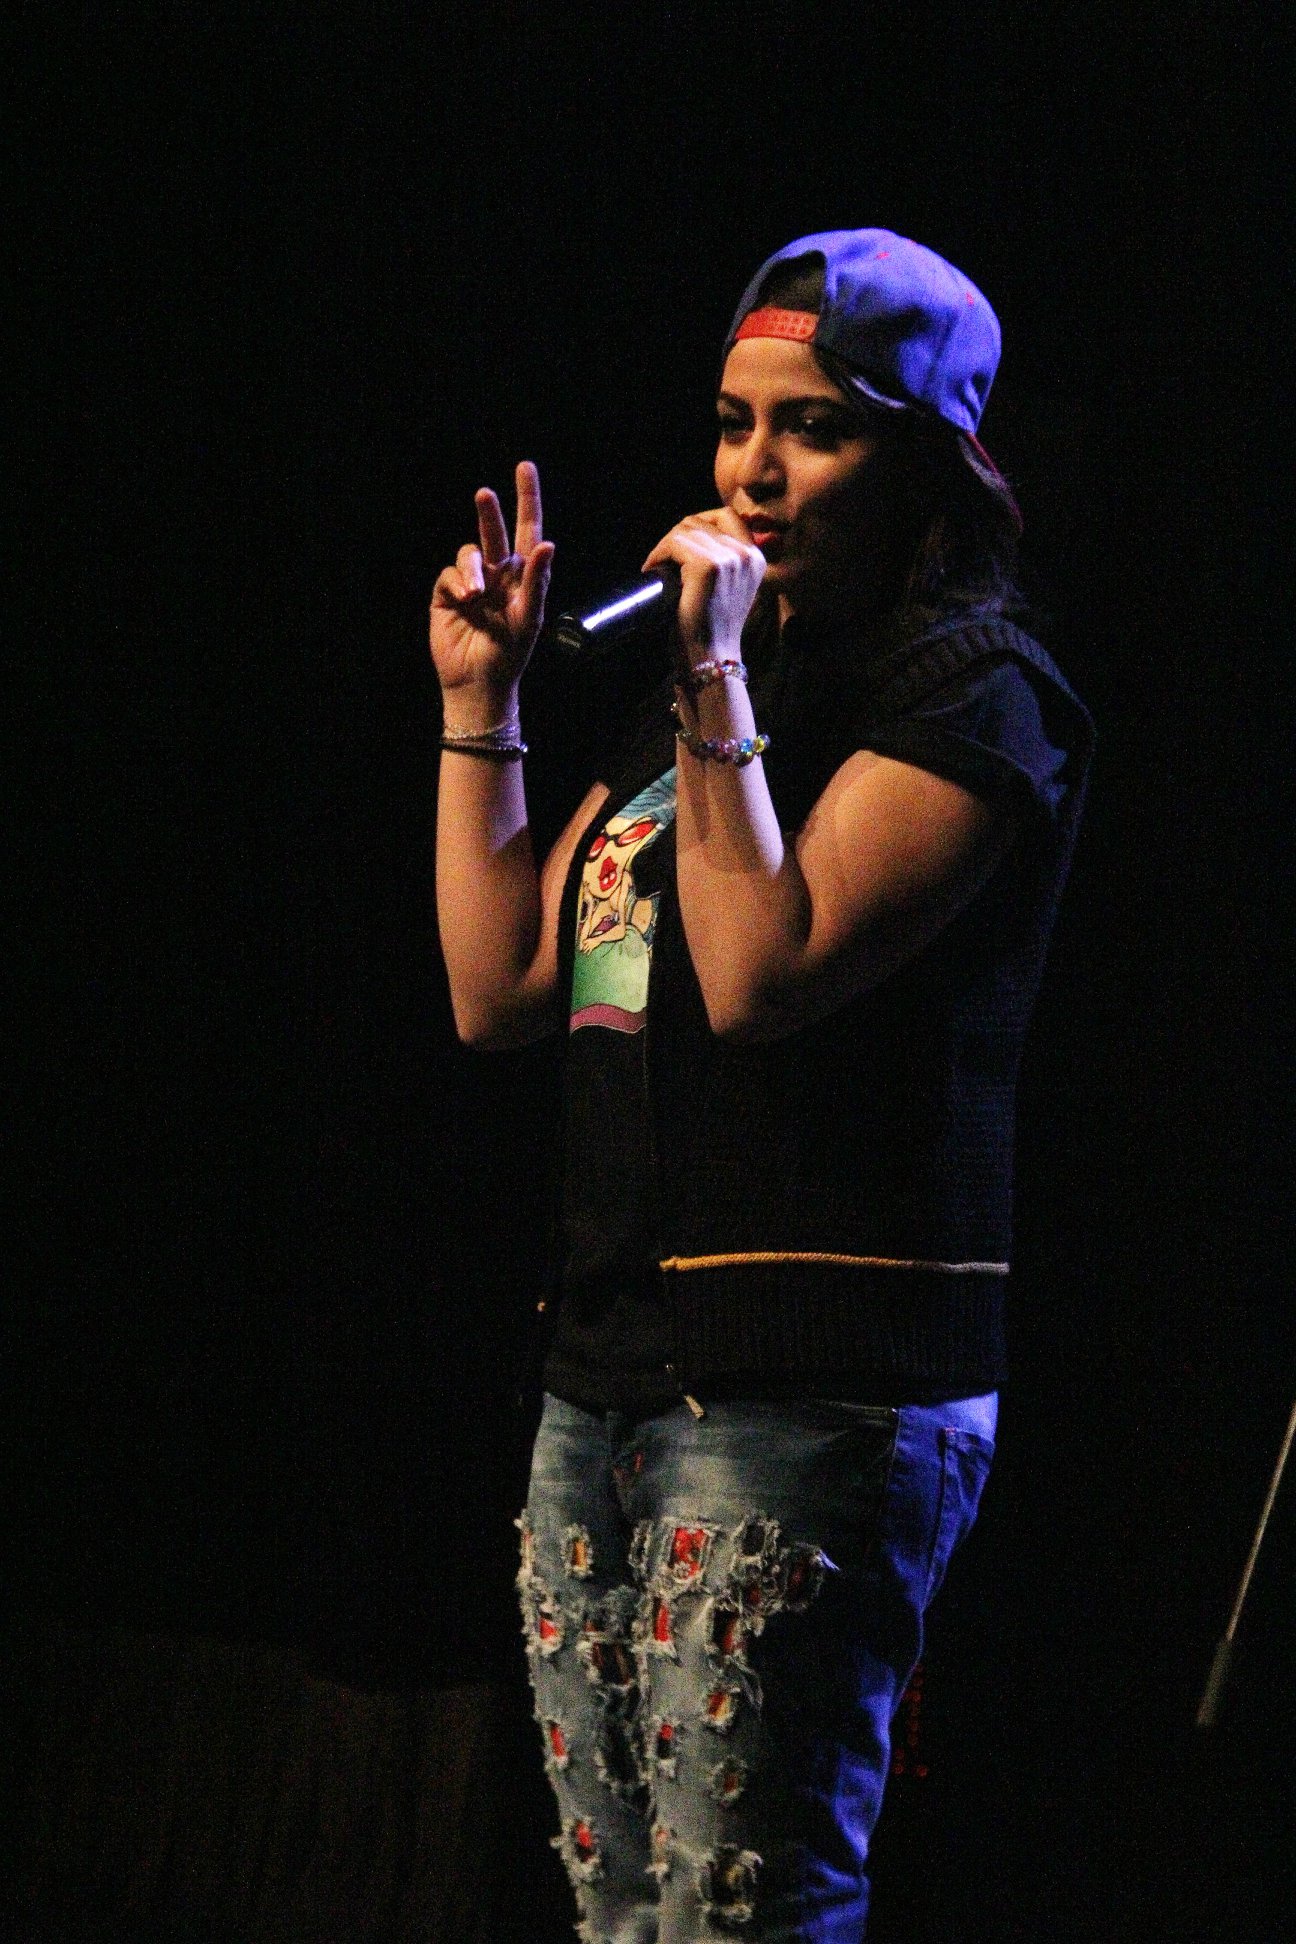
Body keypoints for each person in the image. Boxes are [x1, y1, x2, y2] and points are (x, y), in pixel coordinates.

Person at [431, 230, 1092, 1942]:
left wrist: (714, 679)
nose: (753, 470)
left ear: (928, 461)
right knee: (624, 1915)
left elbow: (757, 972)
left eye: (816, 427)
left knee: (742, 1914)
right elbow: (505, 990)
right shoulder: (708, 697)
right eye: (735, 422)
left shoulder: (977, 700)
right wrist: (483, 706)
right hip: (605, 1376)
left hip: (815, 1392)